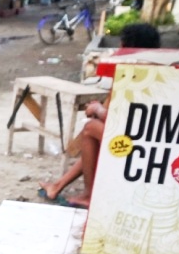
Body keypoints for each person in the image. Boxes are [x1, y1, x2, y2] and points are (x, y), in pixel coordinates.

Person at [37, 23, 162, 208]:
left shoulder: (135, 73)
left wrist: (98, 110)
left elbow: (122, 121)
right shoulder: (158, 69)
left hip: (138, 146)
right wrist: (101, 110)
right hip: (149, 141)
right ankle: (57, 185)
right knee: (94, 130)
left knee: (90, 129)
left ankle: (88, 195)